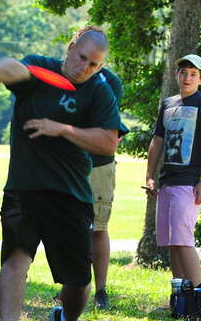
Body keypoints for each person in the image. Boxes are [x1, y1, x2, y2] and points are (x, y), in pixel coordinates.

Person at [0, 26, 123, 321]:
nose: (84, 67)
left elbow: (108, 142)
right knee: (15, 260)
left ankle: (65, 317)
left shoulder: (99, 91)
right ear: (71, 47)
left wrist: (63, 129)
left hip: (71, 194)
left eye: (93, 64)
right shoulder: (42, 69)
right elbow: (17, 69)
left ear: (100, 65)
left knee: (78, 282)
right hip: (24, 188)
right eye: (81, 58)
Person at [144, 54, 201, 287]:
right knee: (173, 243)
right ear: (176, 75)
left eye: (193, 74)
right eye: (183, 73)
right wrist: (150, 176)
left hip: (189, 182)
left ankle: (199, 296)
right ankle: (180, 296)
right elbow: (157, 141)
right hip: (167, 182)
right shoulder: (168, 104)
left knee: (184, 240)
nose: (187, 78)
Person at [88, 66, 124, 310]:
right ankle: (72, 285)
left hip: (99, 164)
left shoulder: (109, 80)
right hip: (67, 164)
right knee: (70, 228)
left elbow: (104, 123)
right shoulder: (60, 74)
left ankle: (100, 291)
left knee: (98, 227)